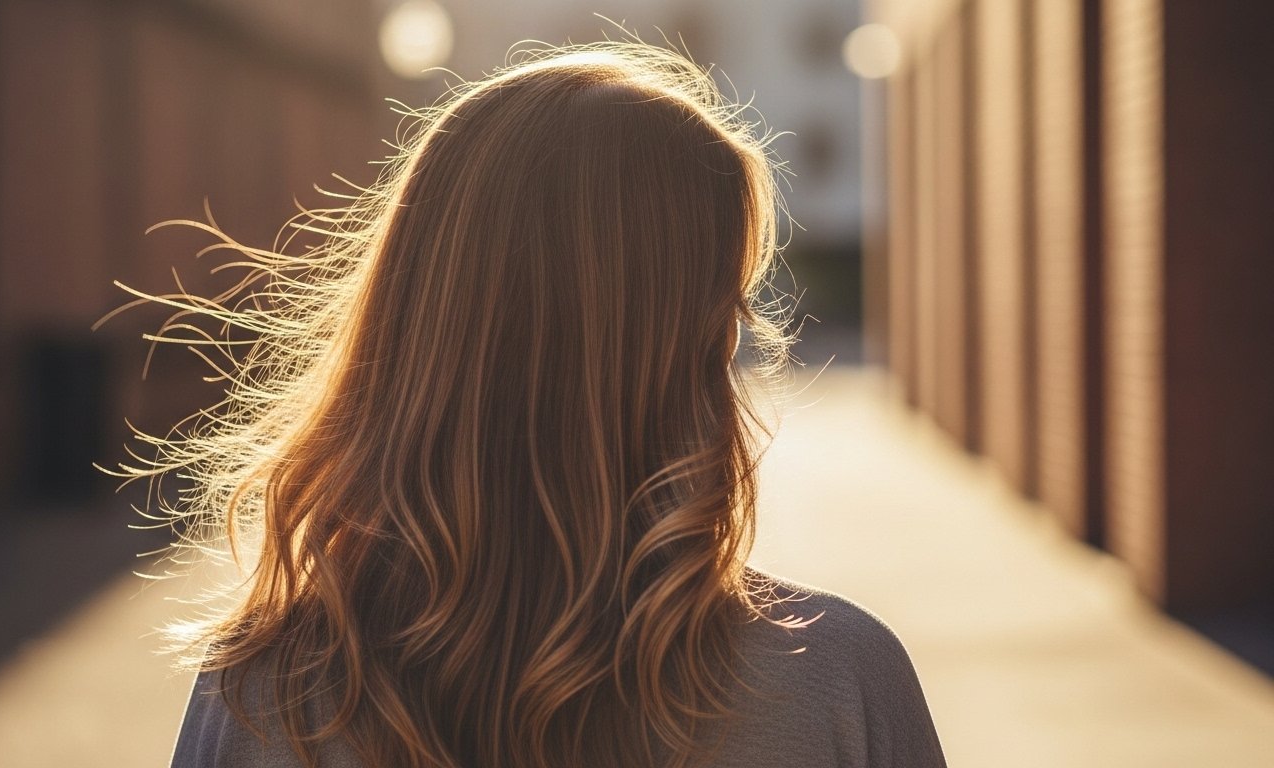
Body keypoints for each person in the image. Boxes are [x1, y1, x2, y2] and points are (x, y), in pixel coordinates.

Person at [125, 40, 946, 768]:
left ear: (408, 333)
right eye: (727, 311)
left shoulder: (264, 694)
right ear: (692, 350)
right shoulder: (836, 682)